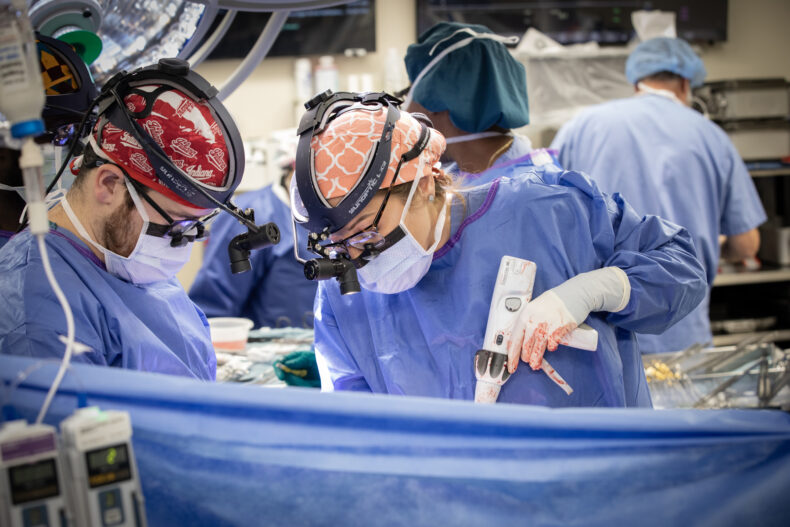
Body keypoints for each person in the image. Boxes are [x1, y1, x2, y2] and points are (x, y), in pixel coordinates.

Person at [290, 92, 707, 407]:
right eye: (338, 244)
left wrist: (593, 290)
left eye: (366, 232)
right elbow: (356, 427)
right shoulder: (344, 295)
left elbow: (680, 266)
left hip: (591, 479)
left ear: (423, 184)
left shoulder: (549, 212)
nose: (357, 258)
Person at [0, 59, 252, 380]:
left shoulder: (126, 257)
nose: (179, 245)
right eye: (174, 227)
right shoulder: (35, 302)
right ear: (109, 184)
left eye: (193, 228)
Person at [550, 37, 766, 354]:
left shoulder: (581, 127)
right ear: (685, 83)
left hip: (601, 336)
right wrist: (709, 246)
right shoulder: (712, 137)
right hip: (679, 329)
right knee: (681, 386)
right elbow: (746, 245)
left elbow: (550, 221)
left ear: (637, 81)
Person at [402, 21, 561, 184]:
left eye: (407, 93)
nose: (405, 110)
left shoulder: (528, 190)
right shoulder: (472, 176)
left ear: (432, 97)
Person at [190, 137, 317, 328]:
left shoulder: (337, 217)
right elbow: (214, 306)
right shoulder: (251, 214)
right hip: (269, 343)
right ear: (293, 167)